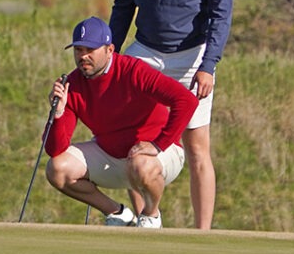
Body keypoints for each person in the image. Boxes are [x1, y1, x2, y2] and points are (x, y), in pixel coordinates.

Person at [109, 0, 233, 230]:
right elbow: (123, 6)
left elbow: (220, 12)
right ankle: (148, 217)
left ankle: (203, 234)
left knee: (197, 149)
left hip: (191, 57)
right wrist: (113, 57)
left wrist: (209, 65)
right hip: (145, 50)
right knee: (132, 139)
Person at [44, 16, 198, 228]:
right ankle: (118, 213)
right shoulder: (72, 84)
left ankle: (151, 215)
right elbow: (55, 149)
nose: (83, 56)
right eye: (78, 50)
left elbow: (186, 100)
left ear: (109, 50)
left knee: (141, 164)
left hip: (159, 156)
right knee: (57, 168)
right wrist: (59, 113)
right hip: (114, 157)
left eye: (91, 49)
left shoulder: (133, 70)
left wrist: (159, 144)